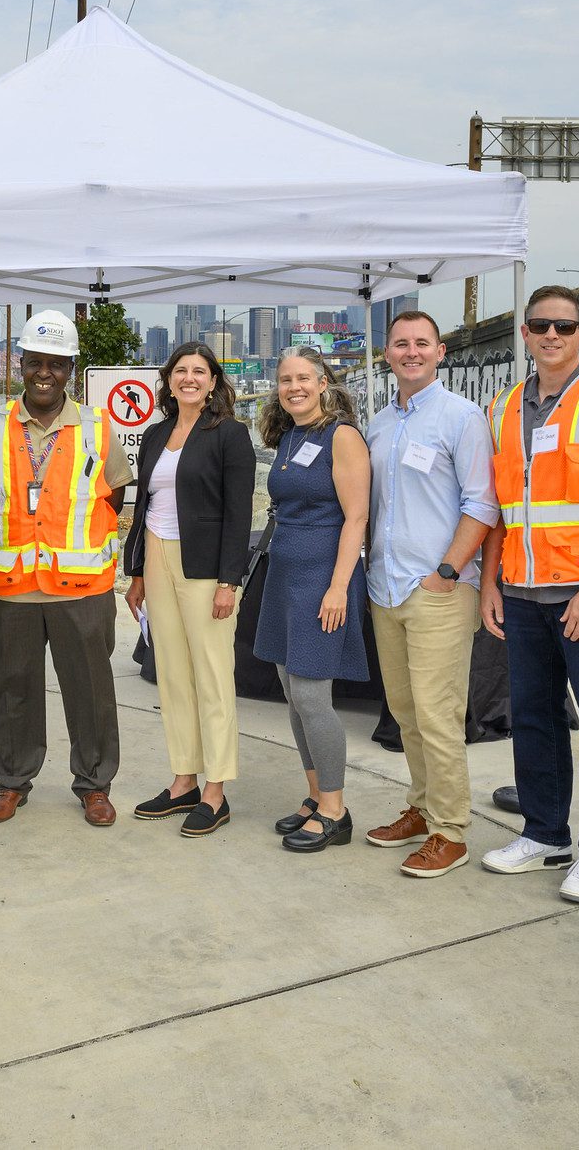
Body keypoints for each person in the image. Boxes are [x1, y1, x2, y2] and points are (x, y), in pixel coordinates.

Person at [475, 288, 579, 904]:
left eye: (563, 326)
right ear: (525, 334)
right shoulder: (502, 408)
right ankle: (547, 834)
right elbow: (500, 508)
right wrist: (490, 582)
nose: (551, 335)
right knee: (535, 722)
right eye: (540, 325)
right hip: (520, 594)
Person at [0, 310, 133, 828]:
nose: (46, 373)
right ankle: (12, 781)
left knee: (89, 691)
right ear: (21, 364)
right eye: (36, 363)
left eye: (57, 365)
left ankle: (94, 784)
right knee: (11, 688)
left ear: (70, 369)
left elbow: (115, 493)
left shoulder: (96, 427)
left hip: (81, 589)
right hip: (10, 586)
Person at [362, 312, 498, 879]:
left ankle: (450, 830)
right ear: (386, 354)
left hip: (438, 591)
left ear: (440, 352)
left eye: (422, 343)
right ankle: (420, 810)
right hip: (385, 588)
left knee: (439, 715)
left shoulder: (462, 418)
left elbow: (482, 503)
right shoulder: (379, 424)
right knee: (405, 711)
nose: (411, 352)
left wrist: (447, 571)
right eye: (401, 344)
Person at [123, 343, 256, 837]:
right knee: (173, 675)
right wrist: (136, 572)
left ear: (214, 381)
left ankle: (216, 791)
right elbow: (144, 507)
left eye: (199, 371)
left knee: (213, 677)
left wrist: (229, 580)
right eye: (181, 370)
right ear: (169, 379)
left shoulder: (230, 436)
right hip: (157, 558)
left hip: (206, 569)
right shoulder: (156, 434)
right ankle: (183, 781)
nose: (189, 378)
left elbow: (240, 515)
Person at [255, 346, 370, 853]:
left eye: (304, 378)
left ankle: (335, 811)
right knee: (292, 694)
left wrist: (339, 586)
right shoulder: (289, 436)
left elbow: (357, 517)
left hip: (323, 578)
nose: (294, 387)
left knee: (311, 697)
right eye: (285, 379)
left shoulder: (340, 436)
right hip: (285, 574)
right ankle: (314, 795)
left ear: (324, 382)